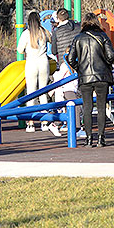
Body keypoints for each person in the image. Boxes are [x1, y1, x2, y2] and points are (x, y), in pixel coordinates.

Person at [66, 12, 114, 147]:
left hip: (85, 77)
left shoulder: (78, 38)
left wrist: (79, 68)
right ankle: (101, 138)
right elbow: (111, 55)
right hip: (102, 76)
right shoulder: (103, 36)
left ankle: (88, 138)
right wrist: (105, 64)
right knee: (101, 107)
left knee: (87, 107)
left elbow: (70, 58)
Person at [16, 11, 52, 133]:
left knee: (31, 92)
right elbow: (52, 39)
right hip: (43, 62)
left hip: (31, 62)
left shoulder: (26, 34)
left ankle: (31, 123)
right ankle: (45, 121)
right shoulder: (44, 32)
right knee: (43, 91)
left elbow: (20, 50)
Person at [49, 8, 80, 137]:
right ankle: (72, 122)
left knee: (64, 94)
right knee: (74, 94)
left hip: (64, 62)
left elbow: (54, 50)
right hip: (77, 62)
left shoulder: (57, 31)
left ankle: (60, 121)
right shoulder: (77, 27)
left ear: (58, 18)